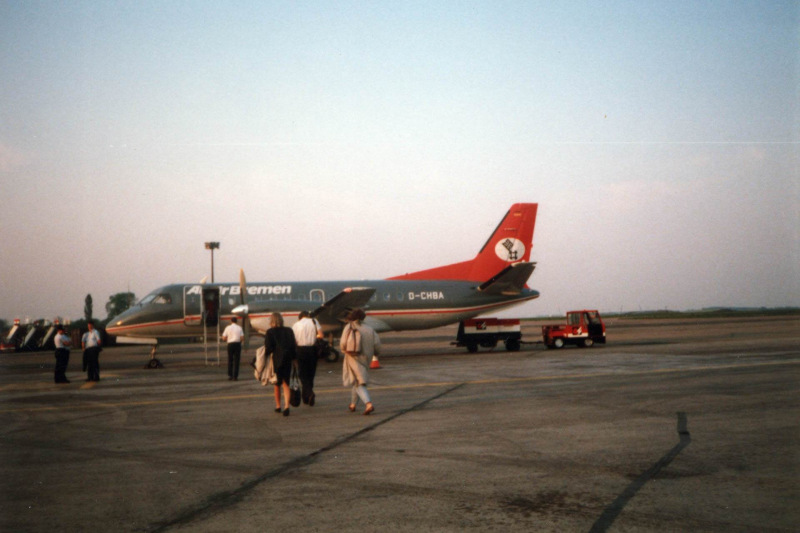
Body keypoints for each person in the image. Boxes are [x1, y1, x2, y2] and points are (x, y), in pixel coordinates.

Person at [340, 308, 380, 415]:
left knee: (358, 382)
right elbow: (377, 344)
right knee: (357, 380)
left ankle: (368, 404)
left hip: (353, 356)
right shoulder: (369, 328)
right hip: (366, 357)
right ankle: (353, 404)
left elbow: (343, 343)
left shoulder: (348, 327)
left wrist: (344, 351)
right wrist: (375, 353)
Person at [264, 312, 297, 416]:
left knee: (276, 383)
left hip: (276, 360)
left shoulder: (270, 332)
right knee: (286, 382)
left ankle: (278, 406)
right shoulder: (289, 330)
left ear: (272, 321)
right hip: (287, 358)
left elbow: (269, 347)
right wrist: (294, 359)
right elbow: (293, 345)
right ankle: (287, 406)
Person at [292, 310, 323, 406]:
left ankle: (309, 393)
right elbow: (321, 335)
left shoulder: (295, 325)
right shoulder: (314, 321)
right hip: (313, 350)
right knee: (311, 373)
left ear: (300, 317)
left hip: (300, 350)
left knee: (302, 374)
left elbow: (294, 341)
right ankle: (306, 397)